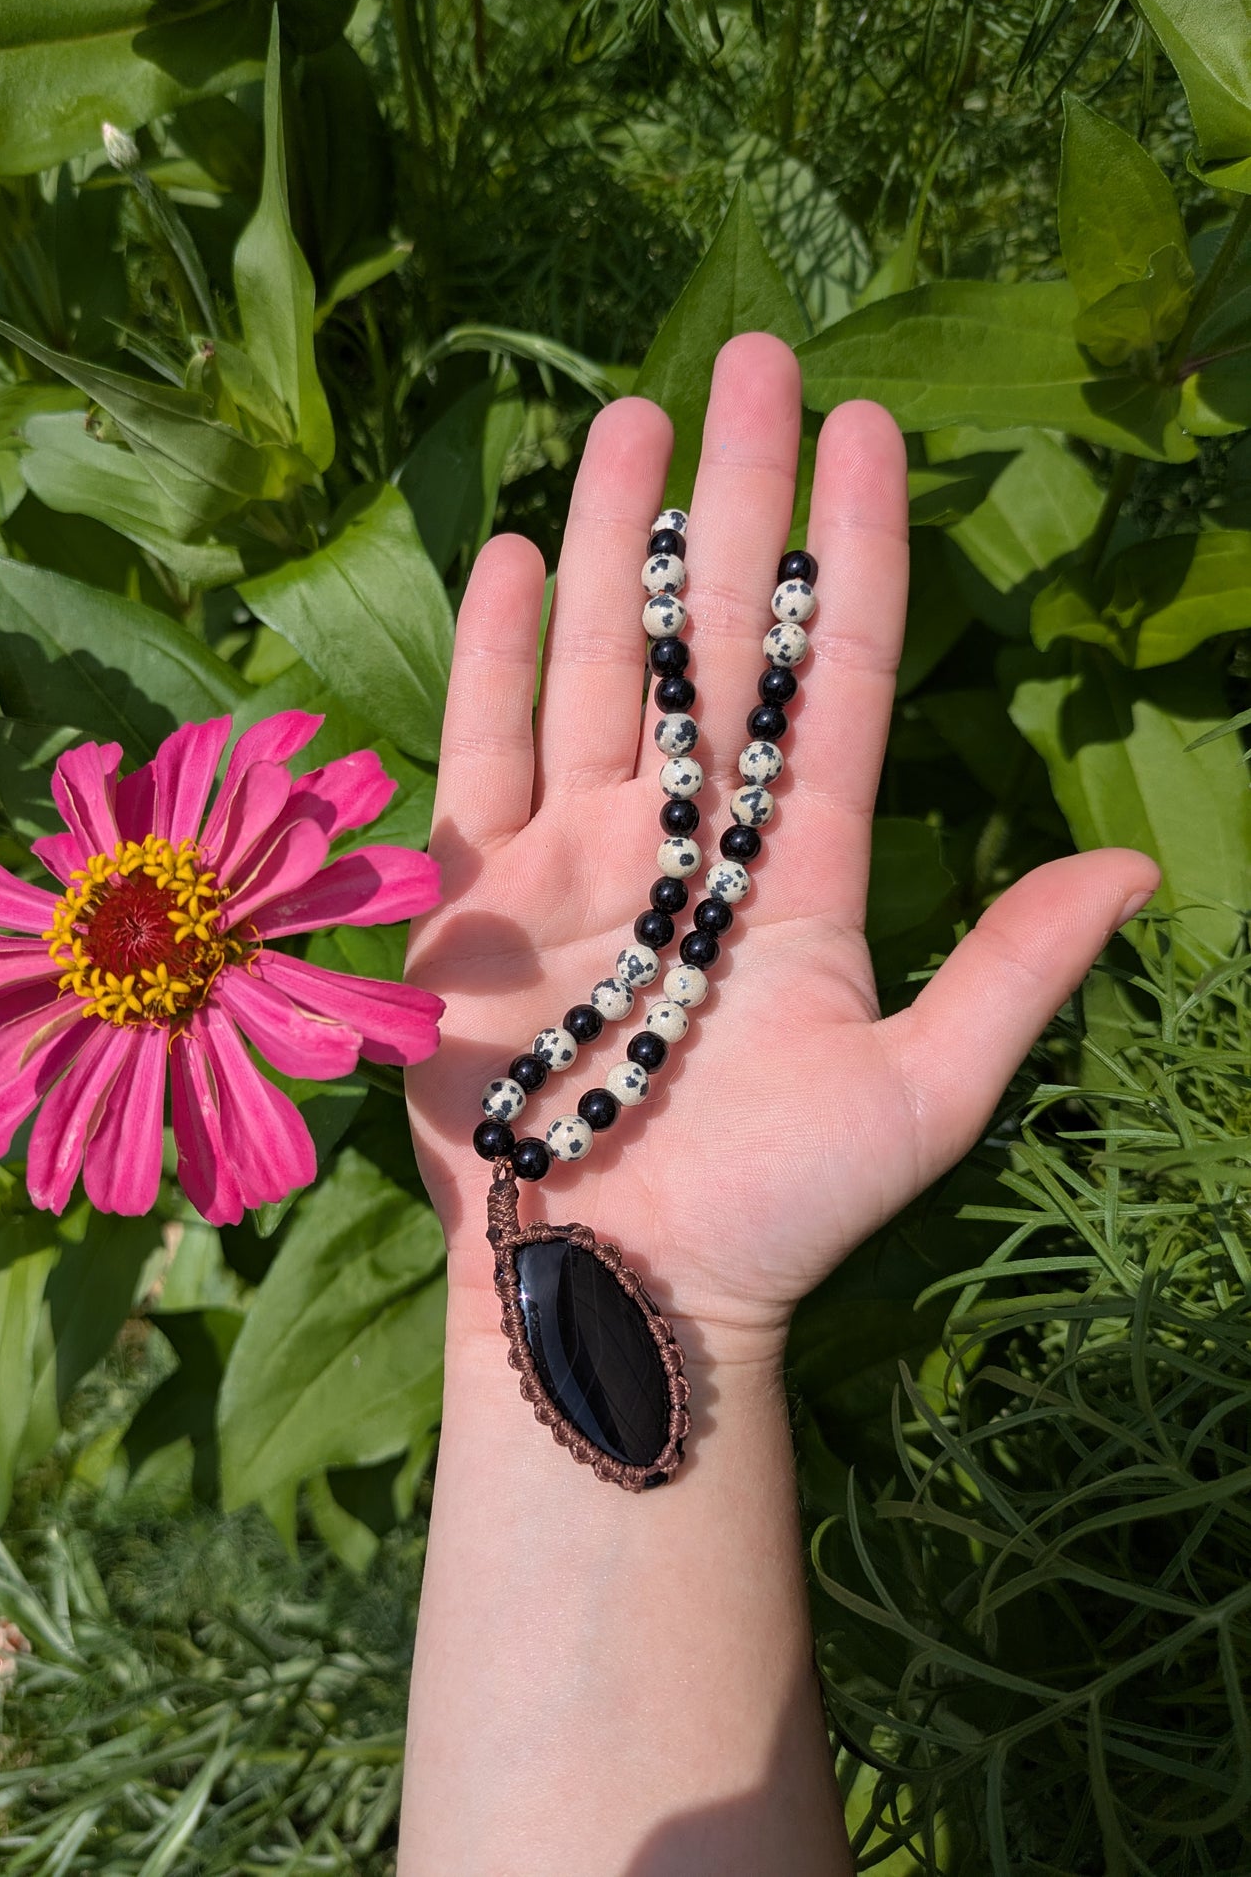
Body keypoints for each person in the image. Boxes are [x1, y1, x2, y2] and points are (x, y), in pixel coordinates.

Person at [399, 334, 1157, 1875]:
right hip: (560, 1256)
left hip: (554, 1261)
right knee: (707, 841)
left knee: (713, 834)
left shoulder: (531, 1243)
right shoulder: (540, 1239)